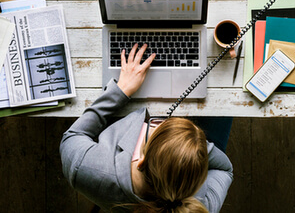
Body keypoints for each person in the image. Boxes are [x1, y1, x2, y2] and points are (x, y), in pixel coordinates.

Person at [60, 43, 233, 212]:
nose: (159, 120)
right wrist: (194, 150)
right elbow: (225, 168)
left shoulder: (84, 168)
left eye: (155, 129)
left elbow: (73, 135)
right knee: (226, 94)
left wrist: (120, 91)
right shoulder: (202, 206)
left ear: (141, 162)